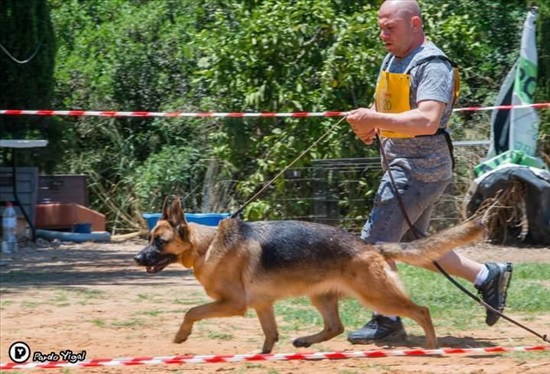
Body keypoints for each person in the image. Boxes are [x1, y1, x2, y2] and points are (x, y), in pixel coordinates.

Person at [345, 0, 513, 345]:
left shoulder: (431, 64)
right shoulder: (395, 57)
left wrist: (375, 120)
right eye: (381, 27)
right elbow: (389, 104)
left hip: (418, 171)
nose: (383, 34)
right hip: (404, 166)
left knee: (375, 244)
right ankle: (486, 275)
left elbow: (427, 119)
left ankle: (387, 319)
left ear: (415, 23)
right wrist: (371, 124)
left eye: (390, 27)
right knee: (413, 246)